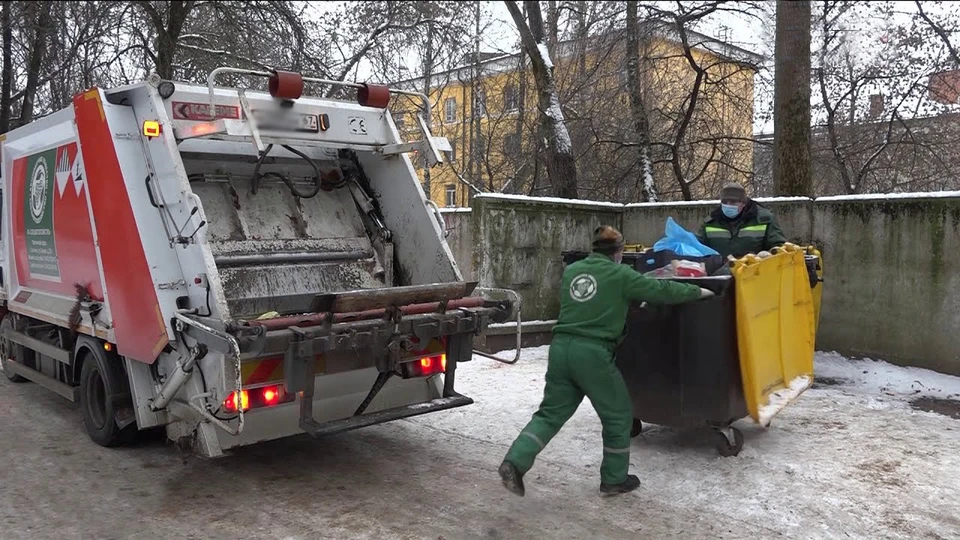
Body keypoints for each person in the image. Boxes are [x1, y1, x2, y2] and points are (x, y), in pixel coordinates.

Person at [498, 225, 713, 497]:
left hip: (561, 348)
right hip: (592, 353)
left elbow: (594, 301)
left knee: (551, 414)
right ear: (618, 252)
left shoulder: (573, 271)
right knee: (619, 414)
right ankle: (614, 479)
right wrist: (698, 292)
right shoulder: (620, 274)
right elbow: (660, 291)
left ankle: (514, 462)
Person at [696, 183, 787, 259]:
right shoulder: (710, 223)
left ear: (743, 203)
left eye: (733, 202)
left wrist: (765, 257)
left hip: (755, 275)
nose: (728, 205)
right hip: (720, 276)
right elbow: (697, 248)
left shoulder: (764, 220)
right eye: (725, 201)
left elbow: (779, 248)